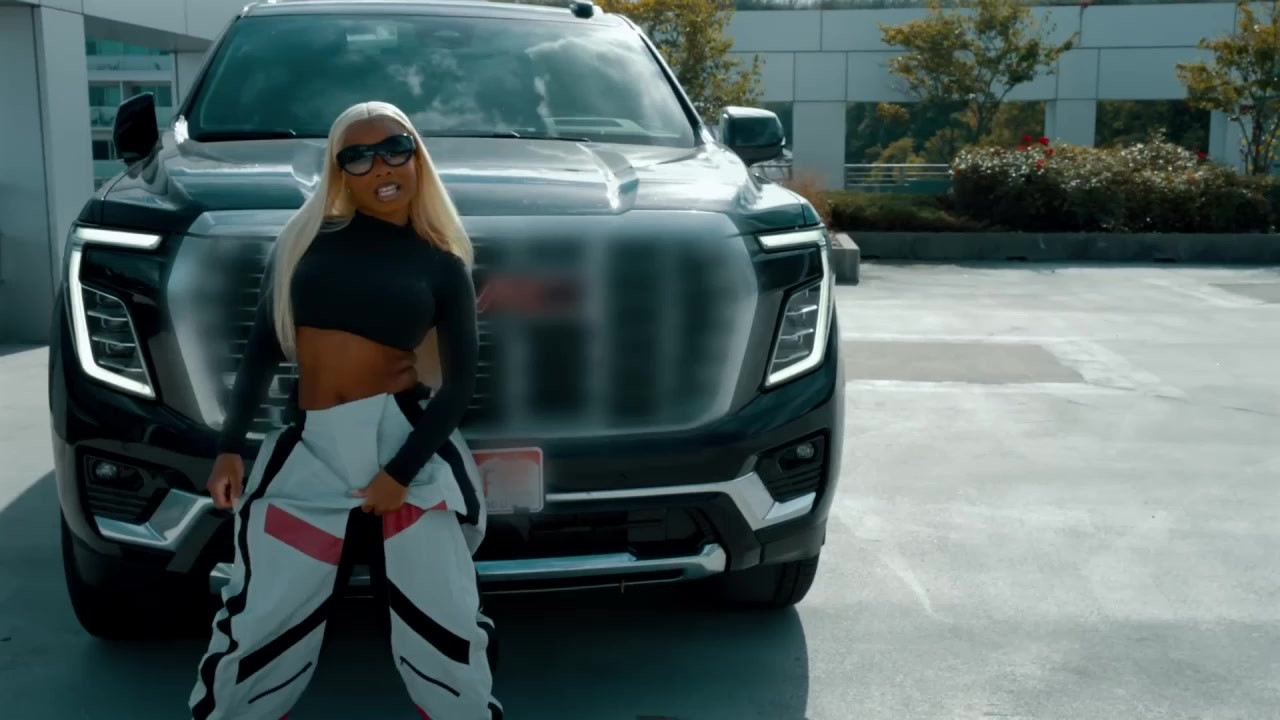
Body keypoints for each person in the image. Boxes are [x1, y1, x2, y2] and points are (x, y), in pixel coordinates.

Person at [189, 101, 501, 720]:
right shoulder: (303, 244)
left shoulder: (442, 263)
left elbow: (459, 386)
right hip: (311, 455)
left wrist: (400, 473)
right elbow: (261, 350)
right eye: (357, 157)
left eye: (394, 148)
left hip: (406, 451)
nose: (380, 166)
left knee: (445, 628)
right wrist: (229, 447)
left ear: (416, 157)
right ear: (339, 172)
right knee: (261, 622)